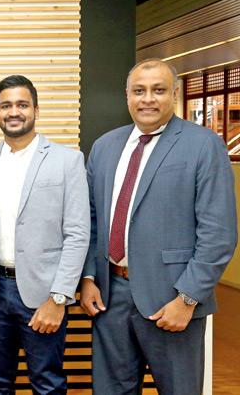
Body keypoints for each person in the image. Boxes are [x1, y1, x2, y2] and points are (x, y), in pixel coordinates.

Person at [80, 59, 237, 394]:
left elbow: (218, 233)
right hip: (111, 298)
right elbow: (91, 220)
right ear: (127, 96)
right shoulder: (105, 147)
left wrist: (188, 297)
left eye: (158, 90)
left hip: (173, 299)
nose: (147, 99)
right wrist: (90, 277)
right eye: (139, 91)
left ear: (175, 95)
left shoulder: (204, 145)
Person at [0, 75, 89, 394]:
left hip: (43, 294)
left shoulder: (67, 161)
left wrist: (59, 298)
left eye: (21, 104)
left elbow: (78, 234)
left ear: (36, 110)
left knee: (47, 383)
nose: (13, 111)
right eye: (6, 105)